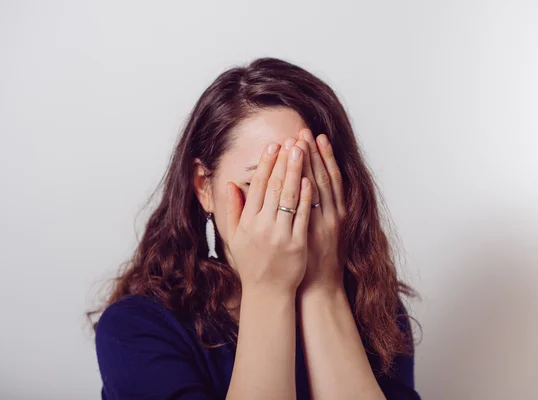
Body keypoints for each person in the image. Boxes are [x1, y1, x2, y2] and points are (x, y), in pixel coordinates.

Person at [90, 57, 421, 400]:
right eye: (261, 186)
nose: (288, 209)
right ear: (204, 186)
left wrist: (324, 290)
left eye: (307, 185)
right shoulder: (137, 328)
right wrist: (268, 289)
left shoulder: (374, 307)